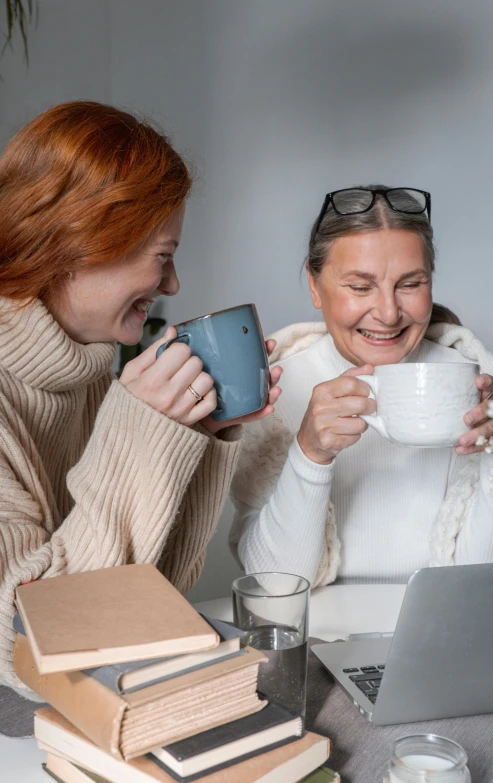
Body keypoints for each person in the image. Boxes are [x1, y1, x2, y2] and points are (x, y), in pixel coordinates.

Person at [0, 101, 282, 696]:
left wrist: (192, 440)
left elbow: (151, 598)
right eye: (163, 257)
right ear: (81, 242)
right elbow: (27, 648)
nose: (174, 285)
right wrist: (138, 429)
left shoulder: (86, 373)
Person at [230, 186, 493, 588]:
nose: (387, 313)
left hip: (440, 637)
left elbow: (488, 582)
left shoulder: (474, 384)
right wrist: (310, 454)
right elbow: (275, 586)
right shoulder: (277, 393)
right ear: (314, 286)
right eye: (360, 287)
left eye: (410, 284)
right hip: (319, 642)